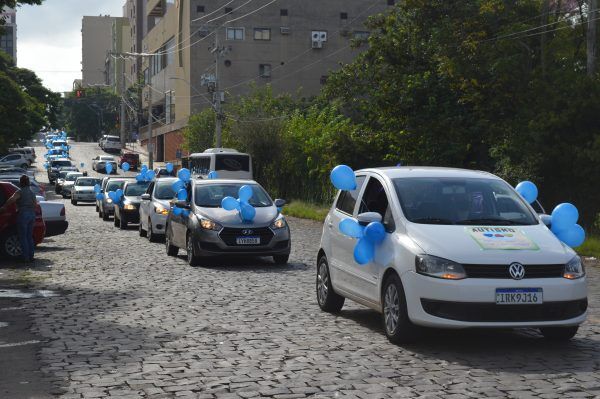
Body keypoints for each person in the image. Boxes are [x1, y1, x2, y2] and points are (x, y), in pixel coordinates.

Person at [0, 175, 37, 262]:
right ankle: (31, 256)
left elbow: (12, 199)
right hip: (32, 214)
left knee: (23, 237)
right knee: (29, 237)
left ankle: (25, 257)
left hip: (23, 214)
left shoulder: (20, 192)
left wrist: (4, 206)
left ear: (21, 182)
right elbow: (35, 204)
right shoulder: (32, 192)